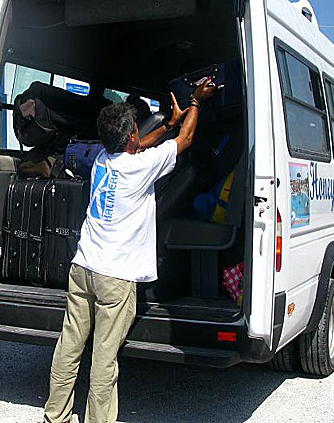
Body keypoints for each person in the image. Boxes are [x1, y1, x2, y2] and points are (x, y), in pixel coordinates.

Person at [43, 79, 215, 423]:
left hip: (84, 267)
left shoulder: (103, 160)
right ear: (132, 136)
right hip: (114, 277)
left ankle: (55, 416)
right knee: (104, 357)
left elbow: (144, 145)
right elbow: (186, 142)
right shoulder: (139, 167)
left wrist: (167, 122)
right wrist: (196, 103)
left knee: (70, 345)